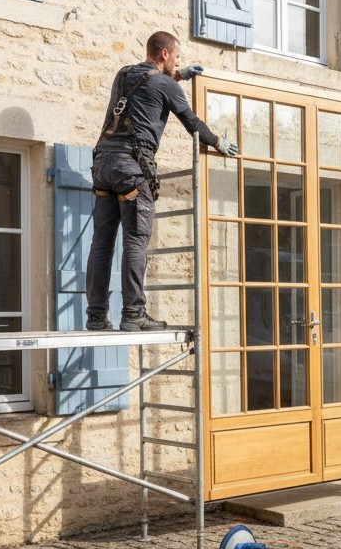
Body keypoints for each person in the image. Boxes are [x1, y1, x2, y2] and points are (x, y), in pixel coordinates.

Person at [85, 31, 238, 332]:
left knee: (102, 243)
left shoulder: (123, 74)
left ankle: (96, 316)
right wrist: (218, 141)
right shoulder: (166, 84)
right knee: (135, 241)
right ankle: (133, 314)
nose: (178, 63)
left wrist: (179, 75)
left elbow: (146, 88)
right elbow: (191, 123)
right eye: (177, 57)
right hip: (132, 167)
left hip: (103, 163)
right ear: (165, 54)